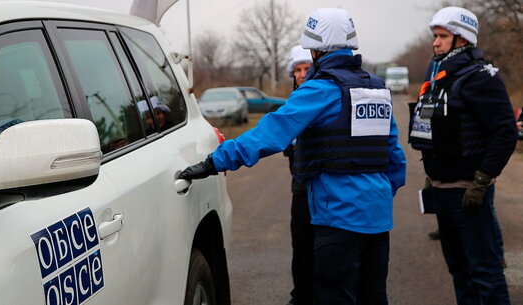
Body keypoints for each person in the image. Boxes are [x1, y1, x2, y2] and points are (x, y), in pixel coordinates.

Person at [180, 8, 406, 305]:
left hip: (338, 219)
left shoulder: (320, 89)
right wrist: (373, 198)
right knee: (373, 297)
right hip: (377, 220)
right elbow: (396, 160)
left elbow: (270, 133)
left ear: (315, 49)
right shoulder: (377, 89)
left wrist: (214, 161)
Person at [408, 6, 517, 304]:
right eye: (435, 36)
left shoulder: (480, 78)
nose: (435, 42)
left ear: (462, 39)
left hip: (469, 194)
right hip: (442, 192)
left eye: (442, 36)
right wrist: (432, 175)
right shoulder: (438, 78)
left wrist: (482, 179)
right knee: (459, 271)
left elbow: (505, 131)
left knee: (484, 272)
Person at [283, 45, 313, 305]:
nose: (302, 74)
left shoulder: (326, 98)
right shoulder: (291, 105)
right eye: (297, 70)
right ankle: (301, 296)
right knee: (301, 245)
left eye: (307, 68)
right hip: (300, 187)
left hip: (324, 188)